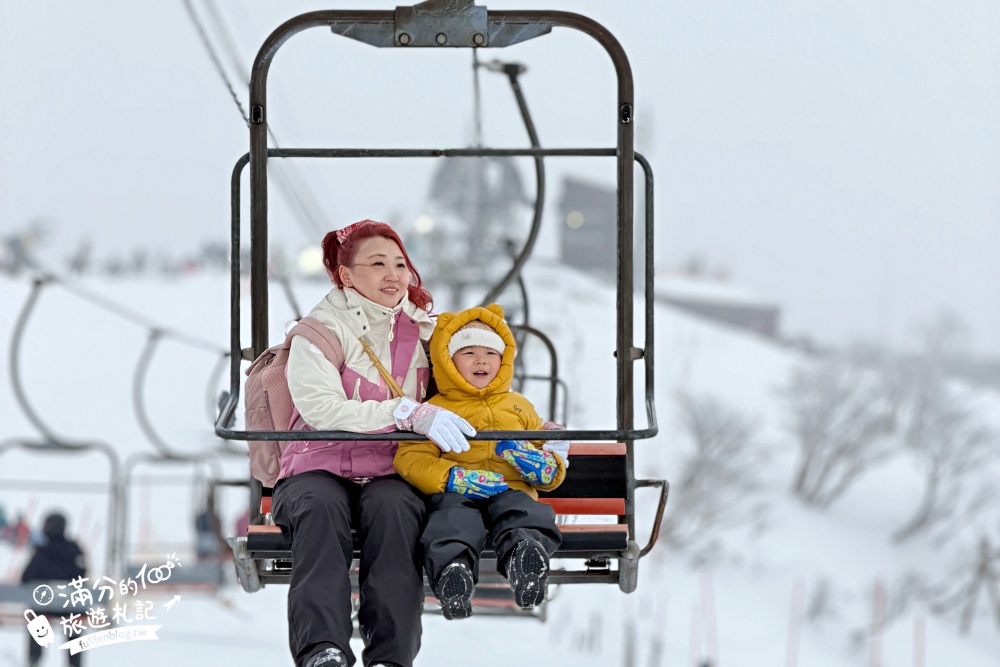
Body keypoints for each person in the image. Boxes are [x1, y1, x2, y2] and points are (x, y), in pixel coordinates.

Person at [272, 220, 476, 667]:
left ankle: (390, 655)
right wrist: (402, 411)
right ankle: (322, 648)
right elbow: (322, 408)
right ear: (346, 275)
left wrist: (536, 426)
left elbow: (476, 390)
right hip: (317, 466)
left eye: (400, 264)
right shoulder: (320, 332)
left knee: (396, 510)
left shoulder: (425, 331)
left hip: (391, 467)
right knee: (321, 508)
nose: (394, 276)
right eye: (378, 264)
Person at [393, 304, 570, 620]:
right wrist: (451, 477)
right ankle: (453, 572)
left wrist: (534, 460)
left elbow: (549, 460)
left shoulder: (519, 407)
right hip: (458, 492)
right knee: (452, 520)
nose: (481, 360)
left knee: (525, 512)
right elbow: (411, 458)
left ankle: (524, 557)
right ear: (448, 362)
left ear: (503, 361)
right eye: (468, 352)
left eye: (490, 353)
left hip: (511, 487)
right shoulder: (436, 409)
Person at [21, 512, 87, 667]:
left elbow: (26, 578)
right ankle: (74, 662)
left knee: (37, 619)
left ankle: (35, 659)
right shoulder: (74, 550)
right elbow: (82, 575)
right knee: (74, 620)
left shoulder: (42, 552)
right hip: (70, 608)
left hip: (42, 607)